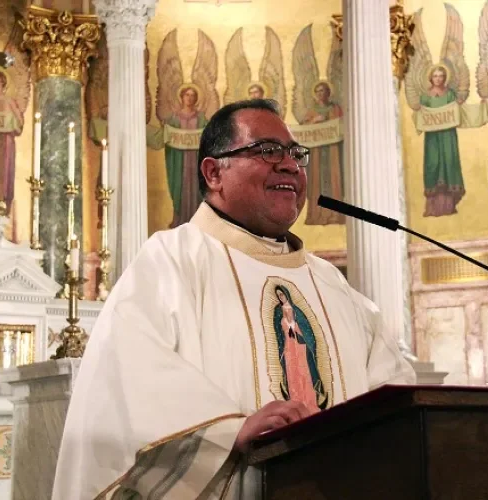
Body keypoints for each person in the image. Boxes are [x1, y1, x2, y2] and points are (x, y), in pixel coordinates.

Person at [52, 98, 416, 499]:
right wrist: (226, 431)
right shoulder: (172, 261)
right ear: (213, 172)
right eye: (267, 151)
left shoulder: (332, 284)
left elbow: (394, 395)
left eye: (296, 154)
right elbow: (122, 382)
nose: (290, 166)